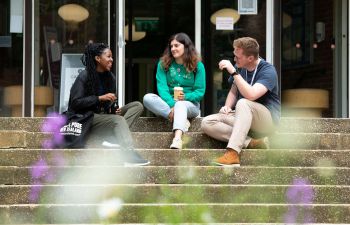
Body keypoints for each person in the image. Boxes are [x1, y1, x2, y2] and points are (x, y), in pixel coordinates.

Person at [201, 37, 280, 166]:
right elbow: (233, 90)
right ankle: (253, 143)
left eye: (238, 57)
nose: (234, 59)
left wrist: (233, 72)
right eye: (234, 55)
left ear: (250, 58)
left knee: (243, 102)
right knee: (207, 122)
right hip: (244, 119)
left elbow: (252, 95)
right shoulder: (242, 68)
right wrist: (227, 106)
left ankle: (232, 153)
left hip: (266, 120)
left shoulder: (268, 70)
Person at [67, 42, 150, 166]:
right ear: (98, 58)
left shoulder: (110, 77)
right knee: (118, 120)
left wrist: (111, 108)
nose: (112, 59)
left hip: (103, 116)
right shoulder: (85, 76)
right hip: (86, 117)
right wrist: (100, 98)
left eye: (111, 57)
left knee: (137, 106)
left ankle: (113, 138)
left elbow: (107, 103)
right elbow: (75, 103)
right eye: (108, 56)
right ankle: (128, 155)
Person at [143, 33, 206, 149]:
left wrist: (185, 97)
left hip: (190, 105)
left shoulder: (198, 65)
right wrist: (172, 104)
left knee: (180, 104)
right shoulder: (163, 64)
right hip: (169, 103)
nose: (173, 49)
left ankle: (177, 139)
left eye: (176, 45)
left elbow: (200, 92)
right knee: (147, 98)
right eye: (171, 46)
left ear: (186, 46)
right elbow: (162, 88)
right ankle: (182, 119)